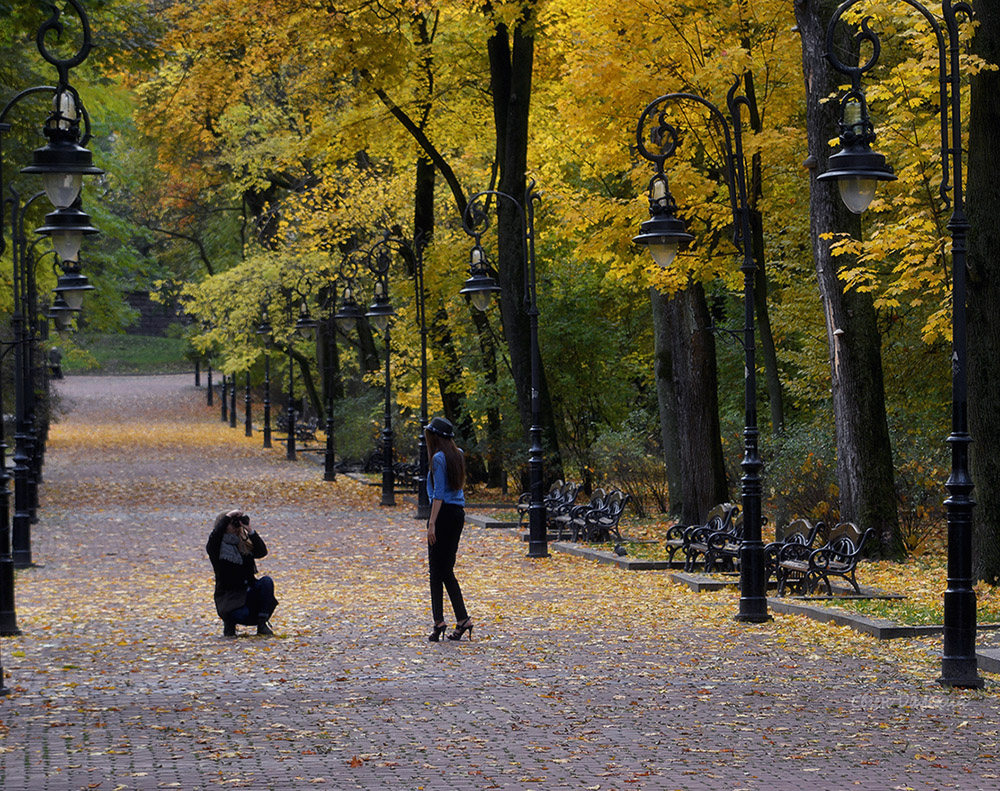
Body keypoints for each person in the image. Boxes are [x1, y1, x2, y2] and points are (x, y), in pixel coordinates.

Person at [424, 417, 473, 642]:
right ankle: (462, 619)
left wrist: (432, 522)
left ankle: (438, 621)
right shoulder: (457, 454)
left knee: (437, 569)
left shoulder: (438, 458)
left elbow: (439, 494)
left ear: (435, 437)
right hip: (457, 515)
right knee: (446, 569)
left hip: (442, 515)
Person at [206, 509, 278, 637]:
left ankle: (262, 624)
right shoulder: (217, 549)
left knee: (267, 582)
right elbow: (215, 536)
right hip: (231, 600)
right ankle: (229, 623)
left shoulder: (244, 545)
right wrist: (228, 516)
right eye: (232, 523)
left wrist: (250, 531)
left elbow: (262, 552)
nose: (235, 526)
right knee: (242, 614)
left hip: (249, 594)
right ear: (223, 525)